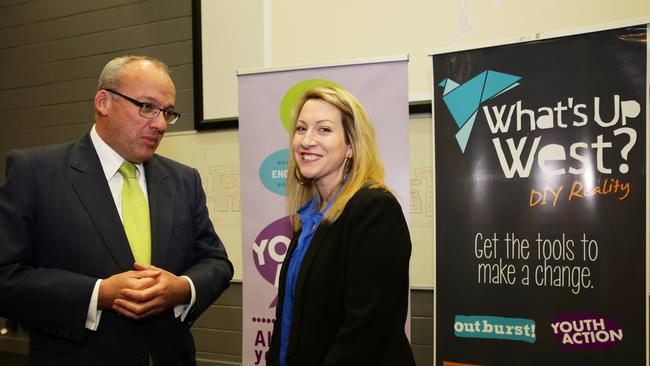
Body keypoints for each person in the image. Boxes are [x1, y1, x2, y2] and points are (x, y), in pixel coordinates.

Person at [0, 55, 233, 366]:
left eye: (168, 112)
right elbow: (6, 277)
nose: (161, 124)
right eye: (147, 107)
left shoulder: (183, 180)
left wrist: (181, 288)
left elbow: (215, 262)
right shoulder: (36, 172)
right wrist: (98, 293)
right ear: (103, 102)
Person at [266, 86, 415, 365]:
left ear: (350, 146)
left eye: (324, 130)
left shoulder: (374, 209)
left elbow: (365, 332)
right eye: (301, 128)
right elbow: (287, 318)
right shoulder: (309, 217)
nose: (307, 140)